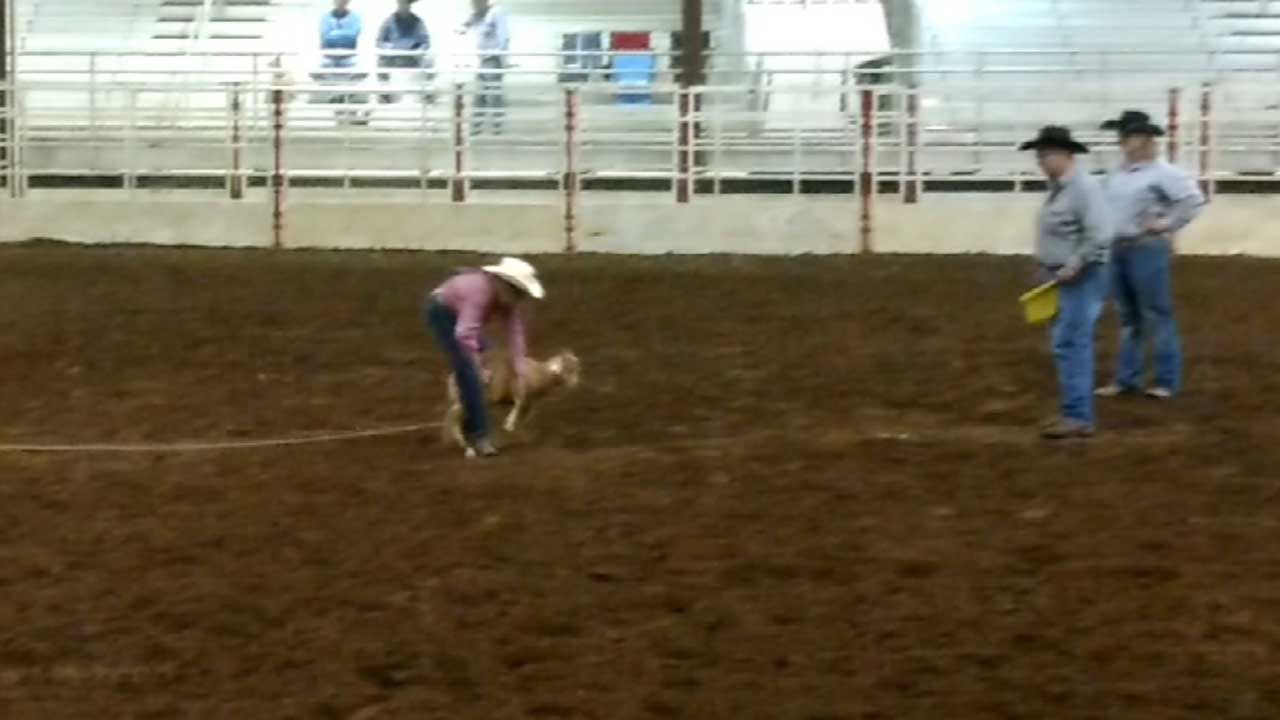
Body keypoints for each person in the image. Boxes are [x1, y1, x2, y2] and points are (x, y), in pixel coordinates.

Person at [1095, 110, 1205, 401]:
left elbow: (1193, 201)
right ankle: (1126, 379)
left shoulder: (1164, 173)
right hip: (1119, 248)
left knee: (1156, 314)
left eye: (1126, 135)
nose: (1121, 141)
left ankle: (1166, 380)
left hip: (1146, 247)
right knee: (1129, 316)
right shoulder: (1118, 174)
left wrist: (1165, 224)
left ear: (1142, 139)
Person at [1020, 126, 1114, 440]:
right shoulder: (1062, 188)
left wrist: (1073, 263)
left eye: (1046, 154)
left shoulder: (1083, 189)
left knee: (1072, 343)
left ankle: (1078, 416)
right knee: (1067, 343)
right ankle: (1074, 412)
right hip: (1060, 276)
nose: (1041, 161)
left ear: (1065, 154)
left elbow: (1099, 234)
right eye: (1040, 155)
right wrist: (1044, 264)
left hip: (1079, 277)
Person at [426, 257, 544, 458]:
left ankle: (469, 414)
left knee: (491, 357)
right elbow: (464, 334)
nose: (520, 298)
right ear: (506, 285)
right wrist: (478, 367)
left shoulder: (505, 298)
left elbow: (515, 333)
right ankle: (480, 436)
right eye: (519, 292)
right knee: (469, 372)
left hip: (457, 311)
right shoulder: (480, 293)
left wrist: (520, 369)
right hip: (441, 312)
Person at [458, 0, 511, 134]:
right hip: (482, 59)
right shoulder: (477, 14)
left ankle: (496, 127)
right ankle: (477, 127)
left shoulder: (496, 12)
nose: (473, 6)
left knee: (493, 93)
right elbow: (465, 24)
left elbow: (504, 36)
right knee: (480, 93)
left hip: (493, 59)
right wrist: (461, 28)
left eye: (475, 3)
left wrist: (500, 54)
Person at [316, 0, 367, 119]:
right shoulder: (325, 17)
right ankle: (338, 97)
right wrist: (342, 35)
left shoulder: (355, 18)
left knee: (362, 70)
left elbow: (353, 35)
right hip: (329, 57)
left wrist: (335, 34)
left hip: (349, 57)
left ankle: (341, 98)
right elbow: (325, 36)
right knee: (315, 70)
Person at [376, 0, 431, 105]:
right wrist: (389, 47)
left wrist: (419, 50)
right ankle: (384, 94)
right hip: (394, 57)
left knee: (429, 61)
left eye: (406, 3)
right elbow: (379, 42)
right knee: (381, 61)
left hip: (412, 57)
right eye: (401, 3)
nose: (403, 5)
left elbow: (426, 42)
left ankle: (426, 94)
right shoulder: (389, 21)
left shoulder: (417, 22)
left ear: (410, 5)